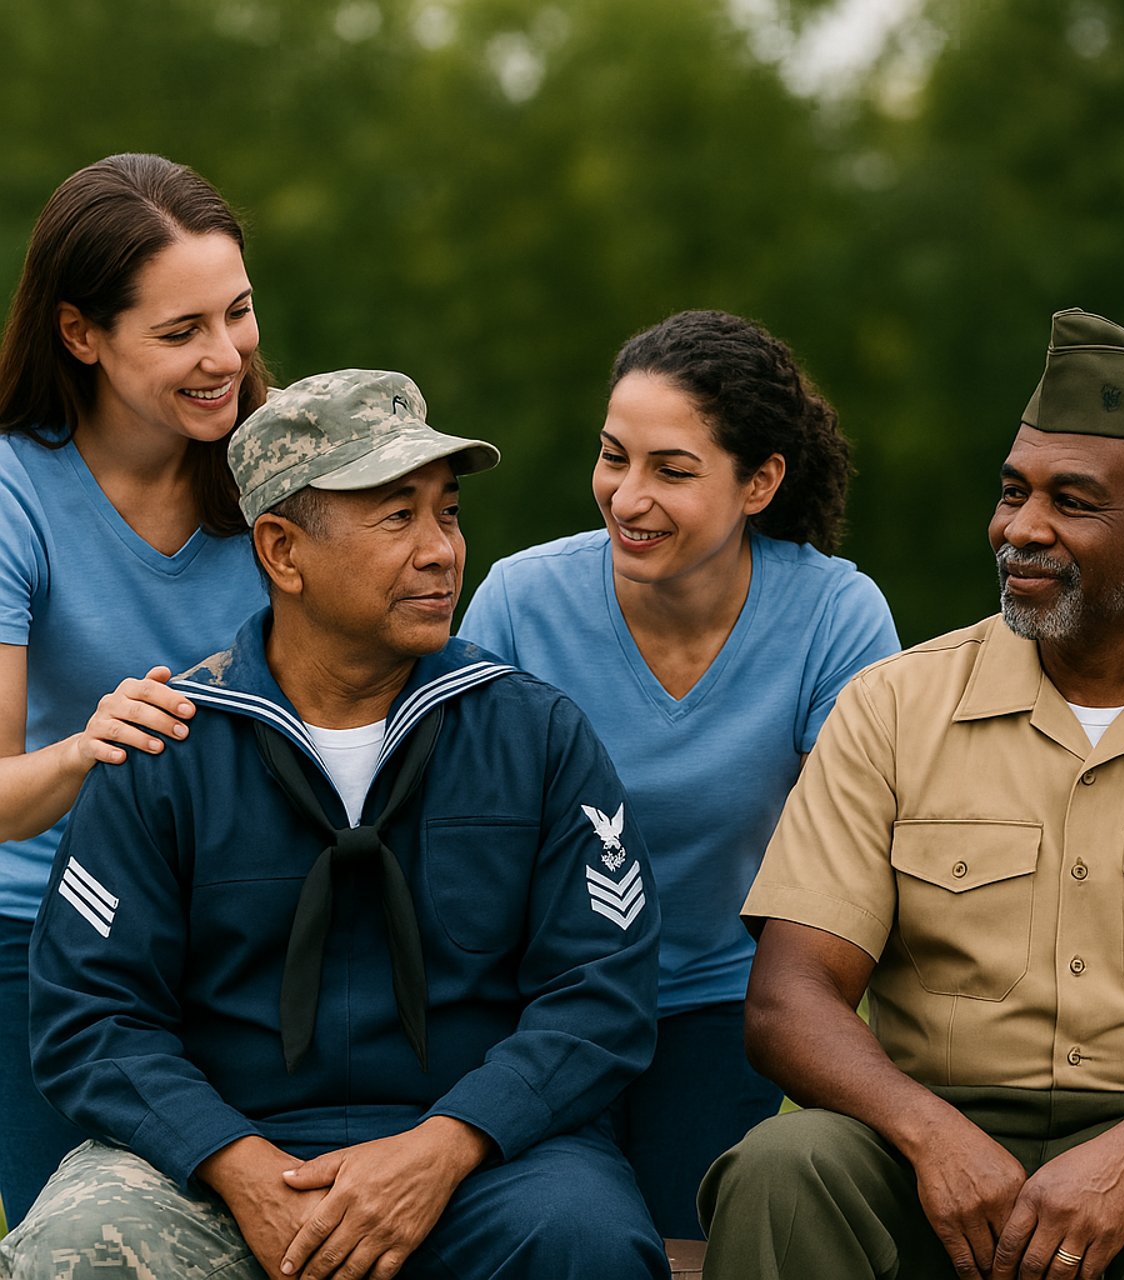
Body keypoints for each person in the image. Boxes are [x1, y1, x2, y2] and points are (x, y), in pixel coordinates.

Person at [698, 309, 1124, 1280]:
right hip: (929, 1155)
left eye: (1073, 500)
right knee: (786, 1162)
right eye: (1013, 490)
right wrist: (930, 1134)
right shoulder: (896, 707)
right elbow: (786, 999)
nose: (1022, 528)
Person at [0, 370, 668, 1279]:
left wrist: (446, 1146)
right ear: (281, 550)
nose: (441, 551)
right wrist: (239, 1167)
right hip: (221, 1156)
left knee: (583, 1240)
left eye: (449, 512)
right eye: (397, 518)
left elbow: (601, 992)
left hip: (483, 1162)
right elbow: (91, 1015)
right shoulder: (169, 747)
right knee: (78, 1250)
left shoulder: (534, 735)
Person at [458, 308, 898, 1237]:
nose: (626, 497)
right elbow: (463, 844)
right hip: (544, 1001)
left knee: (690, 1241)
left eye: (673, 470)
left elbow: (859, 852)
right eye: (614, 456)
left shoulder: (835, 614)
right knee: (564, 1232)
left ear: (760, 482)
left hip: (723, 1006)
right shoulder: (519, 600)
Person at [0, 153, 270, 1225]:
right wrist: (87, 746)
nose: (226, 358)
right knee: (86, 1234)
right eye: (180, 332)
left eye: (238, 313)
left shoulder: (285, 464)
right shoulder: (16, 491)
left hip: (246, 931)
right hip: (40, 939)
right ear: (81, 335)